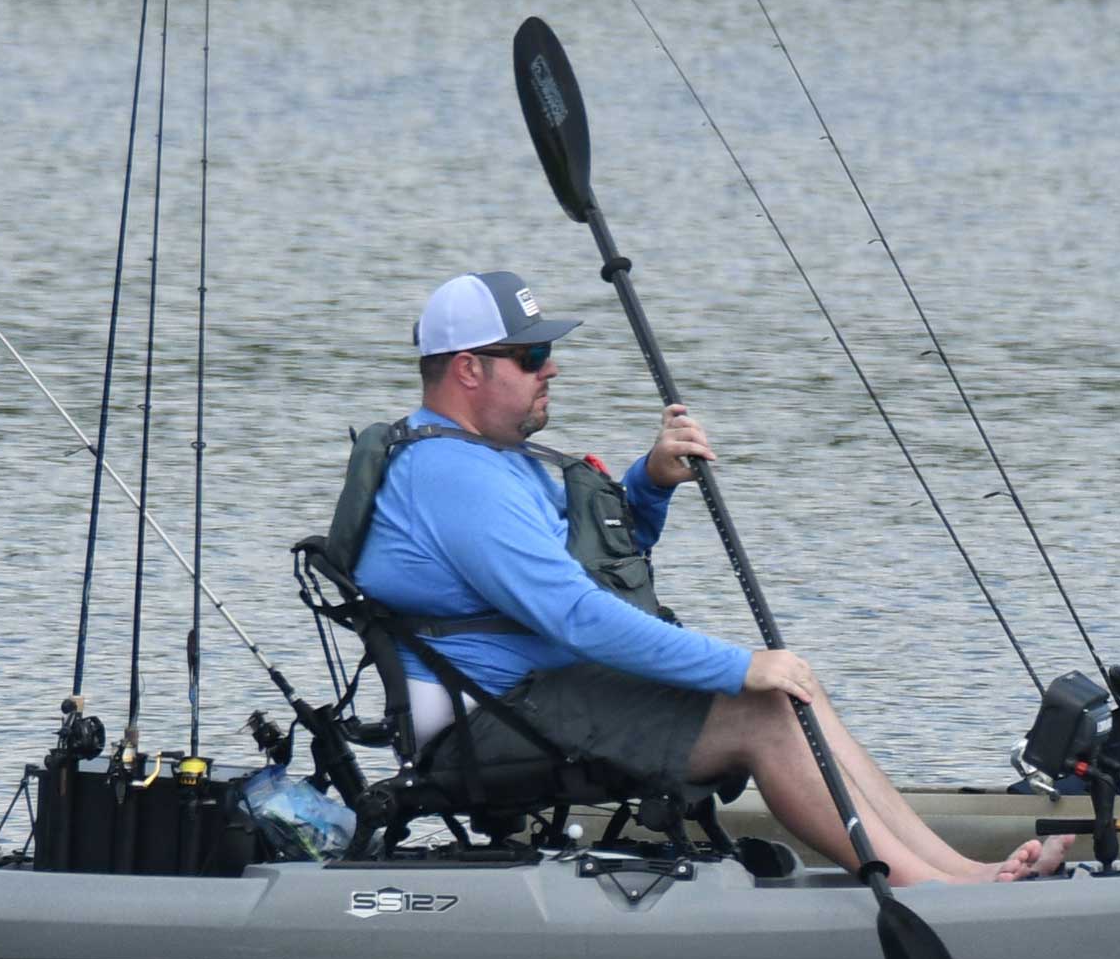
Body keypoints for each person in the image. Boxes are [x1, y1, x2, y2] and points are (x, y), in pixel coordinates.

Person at [350, 270, 1067, 885]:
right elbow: (578, 616)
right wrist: (741, 667)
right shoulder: (453, 477)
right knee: (761, 704)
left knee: (793, 685)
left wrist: (650, 486)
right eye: (533, 355)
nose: (552, 370)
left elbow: (597, 568)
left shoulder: (494, 458)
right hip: (491, 721)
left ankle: (961, 872)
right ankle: (930, 892)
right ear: (469, 369)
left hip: (547, 696)